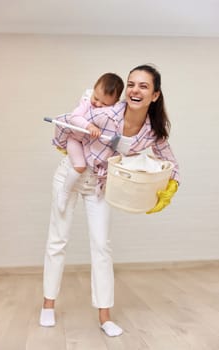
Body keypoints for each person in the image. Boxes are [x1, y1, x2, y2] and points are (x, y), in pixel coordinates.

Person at [40, 64, 180, 337]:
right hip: (70, 175)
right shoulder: (106, 112)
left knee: (102, 246)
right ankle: (48, 304)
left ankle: (105, 316)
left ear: (155, 95)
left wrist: (171, 186)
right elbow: (64, 121)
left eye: (143, 86)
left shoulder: (152, 131)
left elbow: (172, 163)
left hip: (100, 186)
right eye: (131, 84)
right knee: (57, 239)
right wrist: (64, 139)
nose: (135, 90)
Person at [57, 73, 124, 213]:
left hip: (89, 144)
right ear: (93, 90)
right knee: (80, 165)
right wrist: (89, 126)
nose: (98, 104)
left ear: (115, 101)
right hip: (75, 139)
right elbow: (74, 117)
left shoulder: (114, 113)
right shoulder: (87, 101)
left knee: (98, 162)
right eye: (96, 98)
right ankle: (64, 193)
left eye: (105, 103)